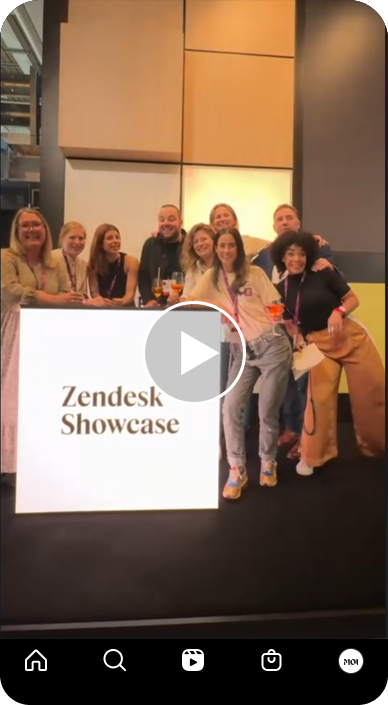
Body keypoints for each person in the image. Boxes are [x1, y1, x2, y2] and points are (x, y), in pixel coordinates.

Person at [185, 227, 292, 498]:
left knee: (266, 410)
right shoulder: (212, 276)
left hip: (271, 347)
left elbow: (274, 306)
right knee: (230, 407)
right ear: (216, 248)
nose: (225, 251)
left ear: (238, 248)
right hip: (240, 350)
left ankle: (268, 462)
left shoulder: (254, 274)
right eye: (221, 246)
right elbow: (193, 299)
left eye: (231, 245)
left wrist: (276, 322)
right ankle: (237, 469)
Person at [271, 230, 385, 475]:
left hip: (351, 338)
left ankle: (377, 448)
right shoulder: (280, 288)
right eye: (291, 254)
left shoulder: (323, 272)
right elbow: (290, 321)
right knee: (317, 401)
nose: (297, 259)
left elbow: (353, 299)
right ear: (282, 256)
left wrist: (338, 311)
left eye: (302, 254)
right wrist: (297, 335)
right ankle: (315, 455)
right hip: (320, 346)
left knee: (372, 392)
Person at [250, 203, 337, 456]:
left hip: (306, 327)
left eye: (289, 217)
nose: (284, 222)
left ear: (298, 223)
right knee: (285, 380)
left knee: (304, 382)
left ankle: (307, 434)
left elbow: (327, 279)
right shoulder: (263, 256)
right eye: (279, 219)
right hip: (276, 328)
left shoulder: (316, 247)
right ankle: (291, 428)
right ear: (274, 227)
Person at [1, 208, 82, 480]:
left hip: (45, 335)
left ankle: (36, 460)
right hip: (13, 333)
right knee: (10, 399)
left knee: (41, 399)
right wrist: (55, 299)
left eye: (37, 224)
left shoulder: (52, 264)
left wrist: (59, 299)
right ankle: (8, 464)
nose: (32, 229)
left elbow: (62, 293)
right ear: (16, 231)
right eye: (25, 225)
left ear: (46, 231)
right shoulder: (6, 257)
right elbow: (11, 292)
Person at [138, 205, 185, 308]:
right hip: (155, 309)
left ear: (180, 222)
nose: (166, 223)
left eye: (171, 219)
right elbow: (143, 277)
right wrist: (148, 300)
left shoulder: (189, 244)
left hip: (183, 308)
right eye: (162, 220)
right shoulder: (150, 244)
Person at [88, 224, 139, 307]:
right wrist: (101, 301)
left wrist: (121, 301)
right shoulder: (93, 263)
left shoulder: (131, 262)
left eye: (117, 237)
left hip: (125, 309)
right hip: (103, 309)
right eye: (109, 238)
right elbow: (94, 292)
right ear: (100, 243)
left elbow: (130, 294)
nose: (115, 241)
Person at [52, 221, 89, 297]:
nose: (77, 242)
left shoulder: (83, 264)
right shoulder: (51, 258)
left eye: (81, 238)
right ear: (62, 238)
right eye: (72, 238)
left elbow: (83, 293)